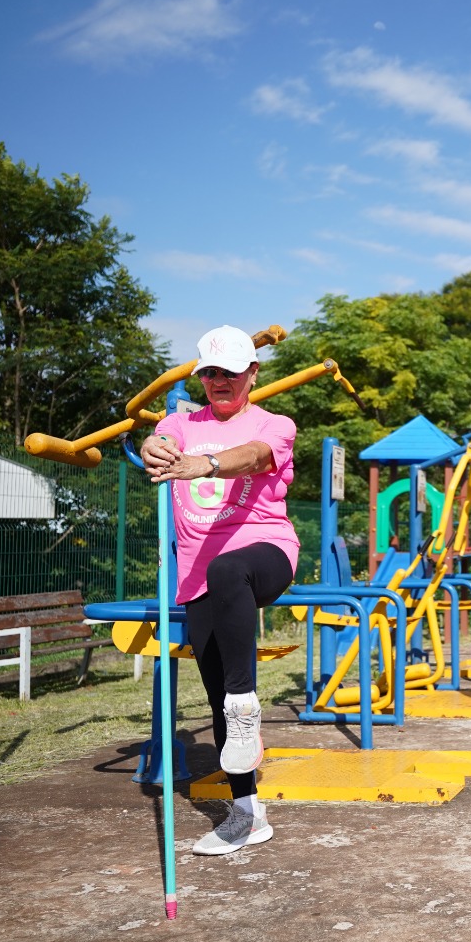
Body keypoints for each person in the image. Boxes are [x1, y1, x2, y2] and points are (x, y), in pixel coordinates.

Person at [141, 326, 299, 857]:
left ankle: (245, 704)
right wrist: (155, 448)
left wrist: (203, 464)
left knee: (229, 569)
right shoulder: (181, 423)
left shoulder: (275, 424)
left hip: (265, 553)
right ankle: (247, 815)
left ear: (253, 373)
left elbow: (254, 456)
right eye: (210, 372)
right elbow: (161, 442)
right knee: (219, 700)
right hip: (197, 575)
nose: (219, 381)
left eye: (230, 371)